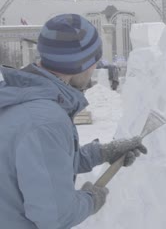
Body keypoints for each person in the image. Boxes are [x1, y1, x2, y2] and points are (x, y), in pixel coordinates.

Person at [0, 14, 147, 229]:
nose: (95, 67)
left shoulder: (19, 96)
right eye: (95, 60)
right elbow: (55, 216)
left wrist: (103, 153)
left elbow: (38, 165)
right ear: (82, 64)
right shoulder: (46, 121)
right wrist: (90, 198)